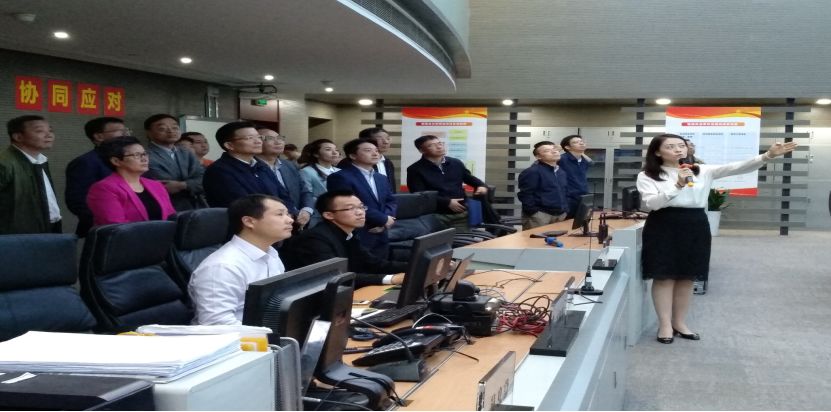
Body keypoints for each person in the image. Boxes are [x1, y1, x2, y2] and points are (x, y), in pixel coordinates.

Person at [636, 133, 796, 344]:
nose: (678, 150)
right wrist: (678, 185)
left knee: (687, 277)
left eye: (681, 146)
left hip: (695, 224)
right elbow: (652, 204)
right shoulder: (648, 175)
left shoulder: (702, 170)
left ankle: (679, 322)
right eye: (671, 146)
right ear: (657, 152)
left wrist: (767, 156)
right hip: (664, 224)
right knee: (664, 276)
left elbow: (737, 167)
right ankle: (665, 324)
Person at [188, 195, 294, 325]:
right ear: (249, 221)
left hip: (266, 329)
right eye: (280, 214)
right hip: (240, 336)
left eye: (288, 214)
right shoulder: (222, 267)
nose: (290, 220)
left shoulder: (271, 253)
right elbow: (217, 324)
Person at [281, 190, 407, 288]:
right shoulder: (314, 239)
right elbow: (334, 277)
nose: (360, 212)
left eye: (361, 207)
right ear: (328, 215)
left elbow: (374, 263)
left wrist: (412, 267)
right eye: (351, 208)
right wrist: (390, 279)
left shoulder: (349, 233)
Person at [202, 121, 297, 214]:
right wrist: (280, 215)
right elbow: (242, 206)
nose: (258, 141)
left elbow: (283, 194)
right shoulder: (219, 171)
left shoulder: (261, 165)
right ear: (229, 145)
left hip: (279, 219)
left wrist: (289, 213)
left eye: (259, 137)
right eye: (250, 138)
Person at [327, 139, 396, 259]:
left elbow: (391, 201)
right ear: (352, 155)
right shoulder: (340, 177)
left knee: (382, 265)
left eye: (376, 150)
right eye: (368, 150)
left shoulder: (381, 178)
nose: (375, 153)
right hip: (359, 232)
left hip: (382, 231)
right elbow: (348, 204)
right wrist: (382, 219)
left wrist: (386, 220)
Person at [87, 136, 175, 226]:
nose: (144, 159)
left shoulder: (155, 185)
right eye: (137, 155)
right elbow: (116, 226)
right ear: (116, 161)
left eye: (145, 154)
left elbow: (171, 216)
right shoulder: (104, 188)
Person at [406, 134, 488, 230]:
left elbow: (469, 178)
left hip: (460, 215)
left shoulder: (456, 163)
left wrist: (481, 185)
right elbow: (419, 194)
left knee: (462, 239)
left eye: (440, 143)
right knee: (437, 239)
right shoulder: (415, 169)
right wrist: (447, 202)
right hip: (435, 216)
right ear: (422, 150)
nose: (439, 147)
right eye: (431, 145)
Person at [65, 117, 129, 236]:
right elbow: (77, 201)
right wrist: (104, 220)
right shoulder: (85, 162)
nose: (126, 135)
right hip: (102, 229)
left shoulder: (128, 160)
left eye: (126, 131)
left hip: (132, 226)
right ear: (99, 136)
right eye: (120, 131)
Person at [1, 115, 62, 234]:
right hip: (18, 234)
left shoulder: (40, 160)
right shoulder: (4, 163)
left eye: (50, 130)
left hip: (49, 226)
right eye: (40, 131)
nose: (49, 135)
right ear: (18, 137)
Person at [143, 114, 205, 211]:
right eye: (162, 128)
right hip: (165, 208)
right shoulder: (145, 155)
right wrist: (192, 184)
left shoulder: (186, 153)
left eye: (175, 127)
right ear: (149, 133)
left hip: (196, 206)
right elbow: (165, 185)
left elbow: (204, 179)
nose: (171, 131)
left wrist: (182, 185)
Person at [256, 128, 314, 229]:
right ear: (256, 141)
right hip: (267, 223)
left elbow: (305, 191)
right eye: (270, 138)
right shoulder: (251, 167)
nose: (278, 142)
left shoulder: (289, 165)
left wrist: (307, 210)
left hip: (296, 222)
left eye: (280, 138)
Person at [517, 141, 569, 230]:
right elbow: (525, 194)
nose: (554, 151)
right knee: (536, 239)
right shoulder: (532, 171)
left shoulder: (561, 172)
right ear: (538, 157)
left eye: (555, 149)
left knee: (558, 238)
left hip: (560, 214)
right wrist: (533, 212)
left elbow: (564, 191)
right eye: (547, 151)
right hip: (540, 215)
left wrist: (566, 209)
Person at [339, 127, 397, 193]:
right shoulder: (348, 163)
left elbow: (391, 187)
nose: (386, 142)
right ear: (366, 140)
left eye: (388, 138)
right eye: (379, 138)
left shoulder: (388, 162)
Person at [297, 138, 340, 227]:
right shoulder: (306, 171)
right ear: (316, 154)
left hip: (340, 213)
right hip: (318, 214)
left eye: (336, 150)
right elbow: (307, 194)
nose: (334, 153)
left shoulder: (339, 171)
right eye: (328, 149)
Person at [558, 134, 593, 218]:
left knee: (581, 222)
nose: (581, 143)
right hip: (568, 198)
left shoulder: (584, 160)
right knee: (566, 222)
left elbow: (591, 163)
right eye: (576, 142)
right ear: (567, 147)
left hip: (583, 196)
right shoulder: (562, 159)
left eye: (581, 141)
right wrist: (555, 150)